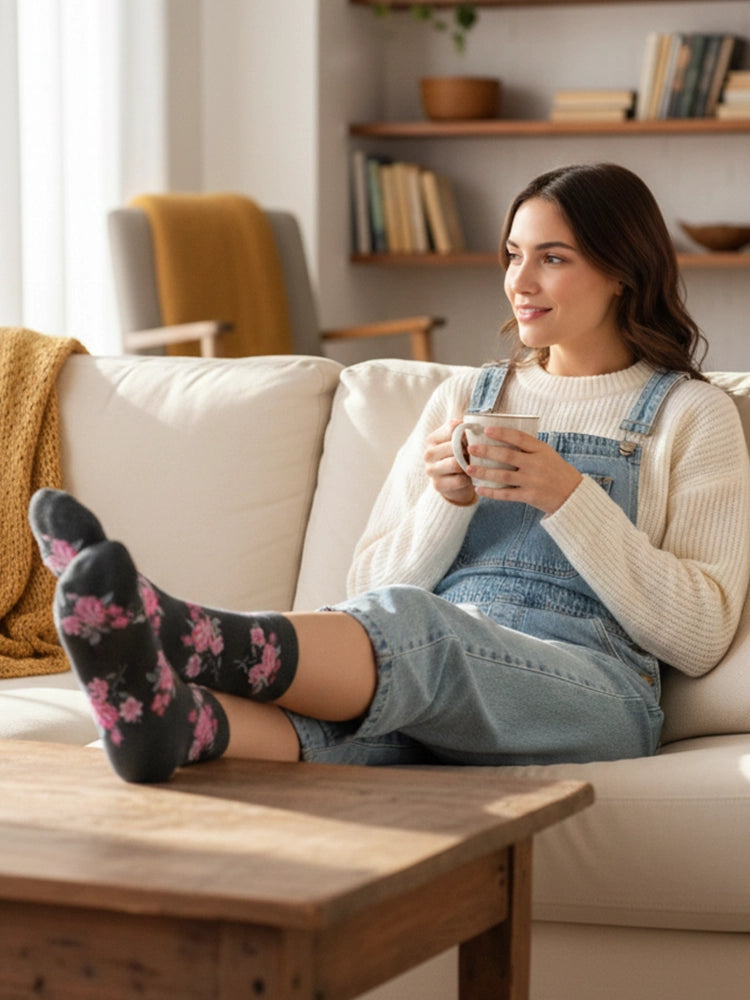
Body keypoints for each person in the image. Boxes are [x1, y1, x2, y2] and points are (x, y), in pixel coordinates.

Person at [29, 162, 750, 784]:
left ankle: (173, 626)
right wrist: (446, 501)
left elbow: (700, 634)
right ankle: (171, 721)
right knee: (349, 711)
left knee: (425, 637)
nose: (518, 282)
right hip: (434, 675)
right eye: (512, 254)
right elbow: (366, 594)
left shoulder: (691, 414)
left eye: (552, 258)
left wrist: (568, 496)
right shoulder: (466, 398)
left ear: (623, 272)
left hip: (593, 692)